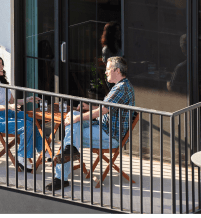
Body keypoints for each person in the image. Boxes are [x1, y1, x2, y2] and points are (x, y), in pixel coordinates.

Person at [46, 56, 135, 191]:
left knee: (70, 133)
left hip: (109, 136)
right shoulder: (121, 86)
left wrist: (78, 118)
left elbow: (103, 110)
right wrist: (89, 107)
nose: (105, 72)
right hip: (102, 127)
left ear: (117, 70)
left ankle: (60, 177)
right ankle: (70, 151)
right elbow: (107, 108)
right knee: (72, 118)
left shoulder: (121, 88)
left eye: (108, 69)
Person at [0, 55, 42, 172]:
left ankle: (43, 151)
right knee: (27, 125)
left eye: (2, 64)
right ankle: (21, 157)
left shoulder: (2, 81)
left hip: (10, 113)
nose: (2, 67)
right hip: (0, 119)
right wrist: (9, 106)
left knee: (32, 119)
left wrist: (28, 99)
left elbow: (13, 102)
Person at [101, 21, 123, 90]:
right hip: (114, 77)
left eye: (119, 30)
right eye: (116, 30)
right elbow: (108, 67)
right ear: (111, 33)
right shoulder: (106, 49)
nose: (119, 32)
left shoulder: (120, 45)